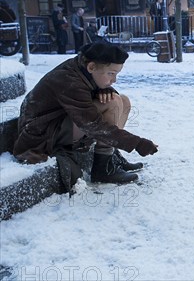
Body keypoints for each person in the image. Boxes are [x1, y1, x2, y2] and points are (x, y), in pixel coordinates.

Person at [13, 42, 159, 189]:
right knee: (113, 103)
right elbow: (93, 125)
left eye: (116, 74)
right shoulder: (68, 79)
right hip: (43, 134)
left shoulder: (82, 69)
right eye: (111, 74)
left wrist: (102, 89)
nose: (114, 80)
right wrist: (137, 143)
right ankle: (103, 169)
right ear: (91, 67)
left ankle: (111, 156)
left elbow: (88, 88)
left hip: (59, 124)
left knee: (123, 100)